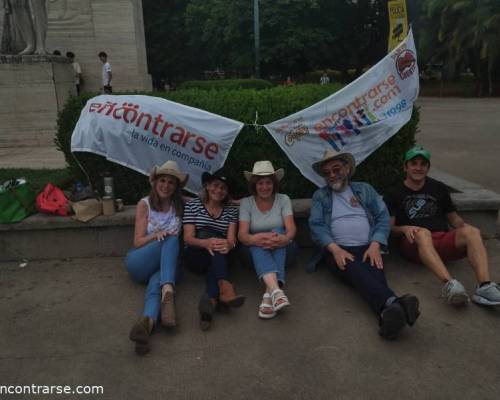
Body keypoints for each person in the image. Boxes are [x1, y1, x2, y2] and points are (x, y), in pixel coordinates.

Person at [308, 150, 420, 340]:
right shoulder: (320, 196)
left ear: (347, 168)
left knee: (372, 272)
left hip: (369, 246)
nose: (332, 175)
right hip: (337, 249)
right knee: (357, 269)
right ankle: (395, 303)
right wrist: (334, 249)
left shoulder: (365, 189)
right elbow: (317, 226)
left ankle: (388, 314)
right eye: (327, 173)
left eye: (336, 169)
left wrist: (376, 244)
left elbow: (382, 217)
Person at [385, 146, 500, 306]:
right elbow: (390, 228)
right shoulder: (394, 192)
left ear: (428, 168)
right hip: (413, 245)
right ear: (405, 167)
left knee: (472, 231)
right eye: (414, 163)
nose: (418, 168)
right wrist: (405, 228)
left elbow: (453, 218)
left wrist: (467, 232)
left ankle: (484, 287)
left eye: (423, 164)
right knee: (422, 232)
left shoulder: (438, 187)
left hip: (440, 240)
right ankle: (450, 284)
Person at [126, 160, 188, 355]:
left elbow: (210, 198)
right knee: (170, 239)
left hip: (166, 265)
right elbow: (137, 241)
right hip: (140, 261)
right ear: (155, 182)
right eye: (162, 180)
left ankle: (147, 324)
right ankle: (168, 290)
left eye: (171, 182)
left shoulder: (180, 204)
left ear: (176, 186)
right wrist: (155, 235)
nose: (166, 186)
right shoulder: (144, 204)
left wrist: (239, 202)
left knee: (156, 286)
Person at [183, 169, 245, 331]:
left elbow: (232, 240)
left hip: (219, 254)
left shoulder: (231, 210)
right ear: (207, 186)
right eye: (215, 185)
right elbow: (188, 238)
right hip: (196, 254)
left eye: (223, 188)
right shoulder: (193, 205)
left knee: (218, 249)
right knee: (215, 245)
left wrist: (228, 244)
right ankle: (225, 291)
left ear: (227, 192)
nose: (219, 190)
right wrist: (206, 243)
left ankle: (210, 302)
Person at [238, 161, 297, 319]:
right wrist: (256, 238)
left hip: (284, 249)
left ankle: (269, 293)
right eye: (260, 183)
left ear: (274, 183)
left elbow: (291, 230)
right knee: (258, 238)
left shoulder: (283, 199)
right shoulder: (246, 203)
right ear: (254, 185)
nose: (264, 187)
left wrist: (283, 238)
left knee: (277, 231)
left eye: (268, 182)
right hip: (253, 254)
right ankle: (276, 292)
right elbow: (242, 235)